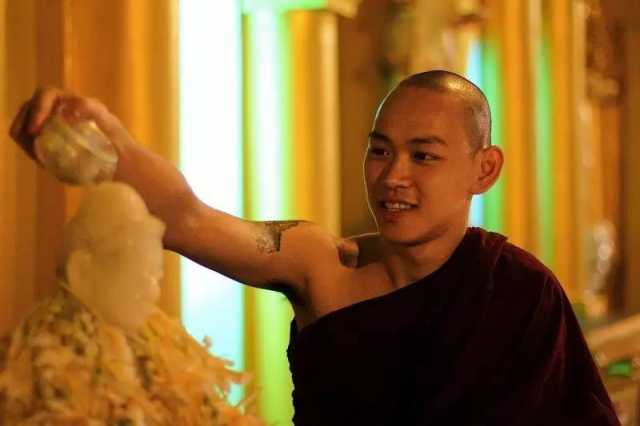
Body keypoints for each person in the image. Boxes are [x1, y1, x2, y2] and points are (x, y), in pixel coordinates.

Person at [10, 70, 619, 425]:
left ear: (483, 170)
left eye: (423, 156)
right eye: (380, 151)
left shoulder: (519, 291)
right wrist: (104, 136)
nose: (393, 176)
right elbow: (187, 217)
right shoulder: (321, 265)